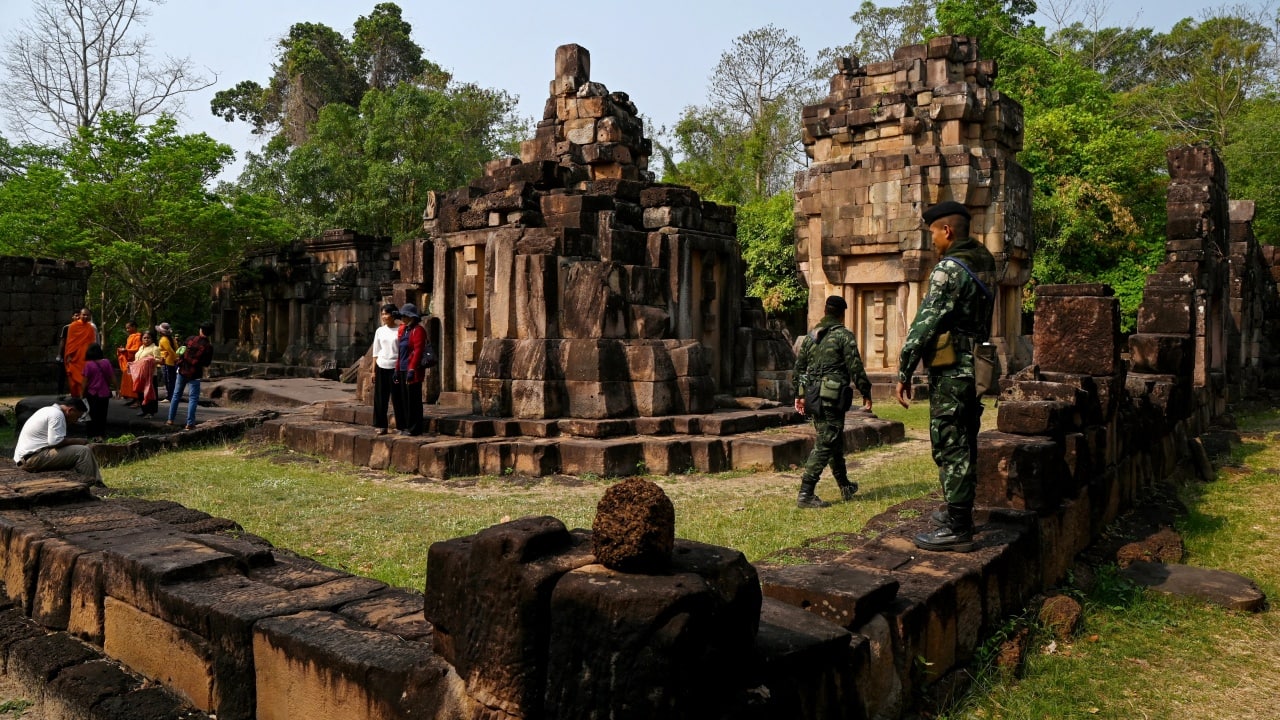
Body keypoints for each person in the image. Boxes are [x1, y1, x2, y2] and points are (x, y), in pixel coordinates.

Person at [895, 201, 997, 553]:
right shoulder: (985, 262)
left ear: (947, 231)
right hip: (977, 366)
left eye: (933, 234)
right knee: (966, 438)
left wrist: (904, 370)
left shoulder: (949, 270)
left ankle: (958, 527)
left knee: (950, 442)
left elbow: (924, 324)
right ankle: (958, 511)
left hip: (953, 370)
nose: (932, 242)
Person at [791, 295, 874, 508]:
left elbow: (799, 369)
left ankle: (845, 485)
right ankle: (806, 493)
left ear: (825, 311)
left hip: (813, 397)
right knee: (826, 442)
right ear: (841, 314)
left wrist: (800, 394)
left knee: (833, 441)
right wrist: (866, 391)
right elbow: (855, 366)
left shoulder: (811, 337)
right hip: (831, 396)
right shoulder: (843, 336)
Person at [13, 398, 103, 484]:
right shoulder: (57, 415)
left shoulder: (48, 410)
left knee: (75, 451)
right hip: (31, 459)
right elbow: (55, 442)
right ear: (70, 410)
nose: (76, 421)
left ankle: (82, 481)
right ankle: (94, 484)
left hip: (25, 458)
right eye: (77, 417)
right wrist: (79, 441)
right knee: (83, 451)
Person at [167, 321, 214, 431]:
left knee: (176, 395)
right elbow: (207, 363)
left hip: (182, 370)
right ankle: (189, 423)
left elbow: (181, 351)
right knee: (193, 398)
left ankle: (170, 419)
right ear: (211, 333)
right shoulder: (208, 347)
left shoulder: (190, 339)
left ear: (201, 330)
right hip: (195, 373)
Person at [369, 303, 403, 436]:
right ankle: (380, 425)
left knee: (398, 398)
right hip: (381, 365)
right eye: (382, 314)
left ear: (393, 314)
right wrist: (373, 370)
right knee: (380, 398)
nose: (384, 316)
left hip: (396, 367)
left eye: (386, 314)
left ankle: (401, 425)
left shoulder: (400, 329)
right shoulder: (380, 331)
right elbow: (375, 352)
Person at [395, 303, 428, 436]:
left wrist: (412, 369)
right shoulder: (403, 330)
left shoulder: (418, 330)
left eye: (405, 316)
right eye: (402, 315)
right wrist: (397, 369)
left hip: (413, 370)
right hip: (402, 367)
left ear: (412, 317)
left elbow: (418, 351)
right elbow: (400, 351)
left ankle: (415, 428)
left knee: (413, 399)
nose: (403, 318)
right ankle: (406, 425)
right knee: (404, 399)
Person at [80, 343, 115, 442]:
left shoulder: (88, 365)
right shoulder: (106, 362)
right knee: (102, 415)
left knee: (91, 415)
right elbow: (112, 377)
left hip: (92, 394)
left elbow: (84, 382)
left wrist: (81, 394)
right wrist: (117, 389)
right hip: (104, 393)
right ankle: (101, 434)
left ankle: (92, 435)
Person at [63, 308, 97, 398]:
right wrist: (69, 355)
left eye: (87, 315)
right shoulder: (73, 326)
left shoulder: (90, 327)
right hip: (75, 356)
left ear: (90, 316)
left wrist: (94, 356)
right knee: (74, 378)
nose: (85, 316)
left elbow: (92, 342)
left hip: (87, 356)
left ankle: (85, 396)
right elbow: (70, 342)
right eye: (84, 315)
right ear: (80, 315)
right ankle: (76, 396)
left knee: (86, 376)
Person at [129, 331, 160, 418]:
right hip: (140, 375)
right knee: (141, 393)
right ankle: (144, 410)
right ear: (142, 339)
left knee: (150, 393)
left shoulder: (155, 348)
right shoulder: (141, 348)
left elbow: (159, 361)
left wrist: (149, 360)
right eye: (144, 338)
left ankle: (151, 412)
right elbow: (138, 360)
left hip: (150, 375)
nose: (146, 340)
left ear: (152, 339)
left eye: (148, 338)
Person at [116, 321, 142, 407]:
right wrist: (124, 350)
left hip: (135, 361)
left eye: (128, 328)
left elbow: (137, 349)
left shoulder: (138, 337)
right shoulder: (130, 337)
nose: (127, 330)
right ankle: (133, 398)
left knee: (135, 381)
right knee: (130, 381)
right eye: (126, 328)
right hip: (129, 362)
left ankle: (138, 400)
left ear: (134, 327)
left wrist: (126, 350)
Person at [55, 310, 78, 395]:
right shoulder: (67, 327)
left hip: (78, 355)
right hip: (66, 354)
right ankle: (60, 393)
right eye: (76, 315)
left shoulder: (85, 327)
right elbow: (62, 341)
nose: (78, 317)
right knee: (62, 374)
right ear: (72, 317)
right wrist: (59, 354)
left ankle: (75, 393)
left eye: (79, 315)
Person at [155, 322, 180, 403]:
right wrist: (177, 357)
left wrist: (176, 358)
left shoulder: (163, 340)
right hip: (172, 362)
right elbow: (176, 349)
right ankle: (172, 395)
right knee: (172, 379)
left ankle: (170, 397)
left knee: (168, 379)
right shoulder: (171, 339)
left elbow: (170, 351)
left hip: (167, 362)